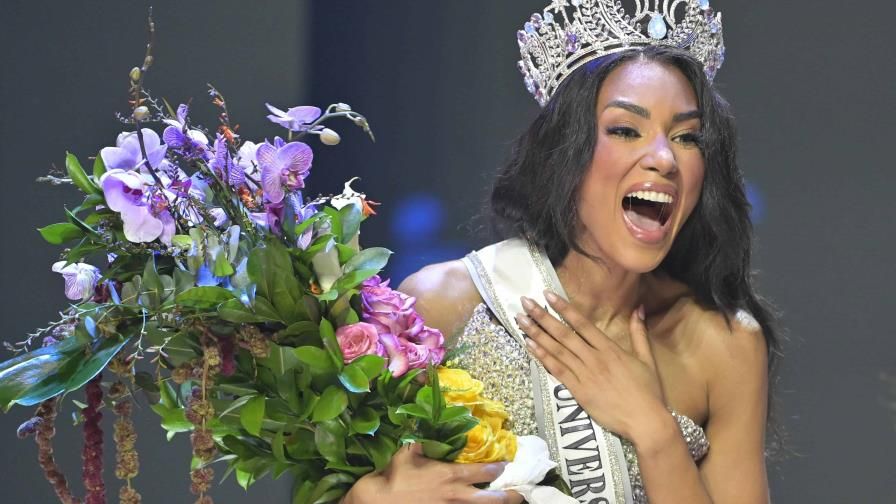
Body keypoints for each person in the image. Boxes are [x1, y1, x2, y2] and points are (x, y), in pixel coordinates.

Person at [344, 1, 777, 503]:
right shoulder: (444, 304)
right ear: (566, 149)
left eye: (687, 137)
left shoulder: (725, 346)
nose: (664, 158)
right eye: (625, 130)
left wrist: (654, 431)